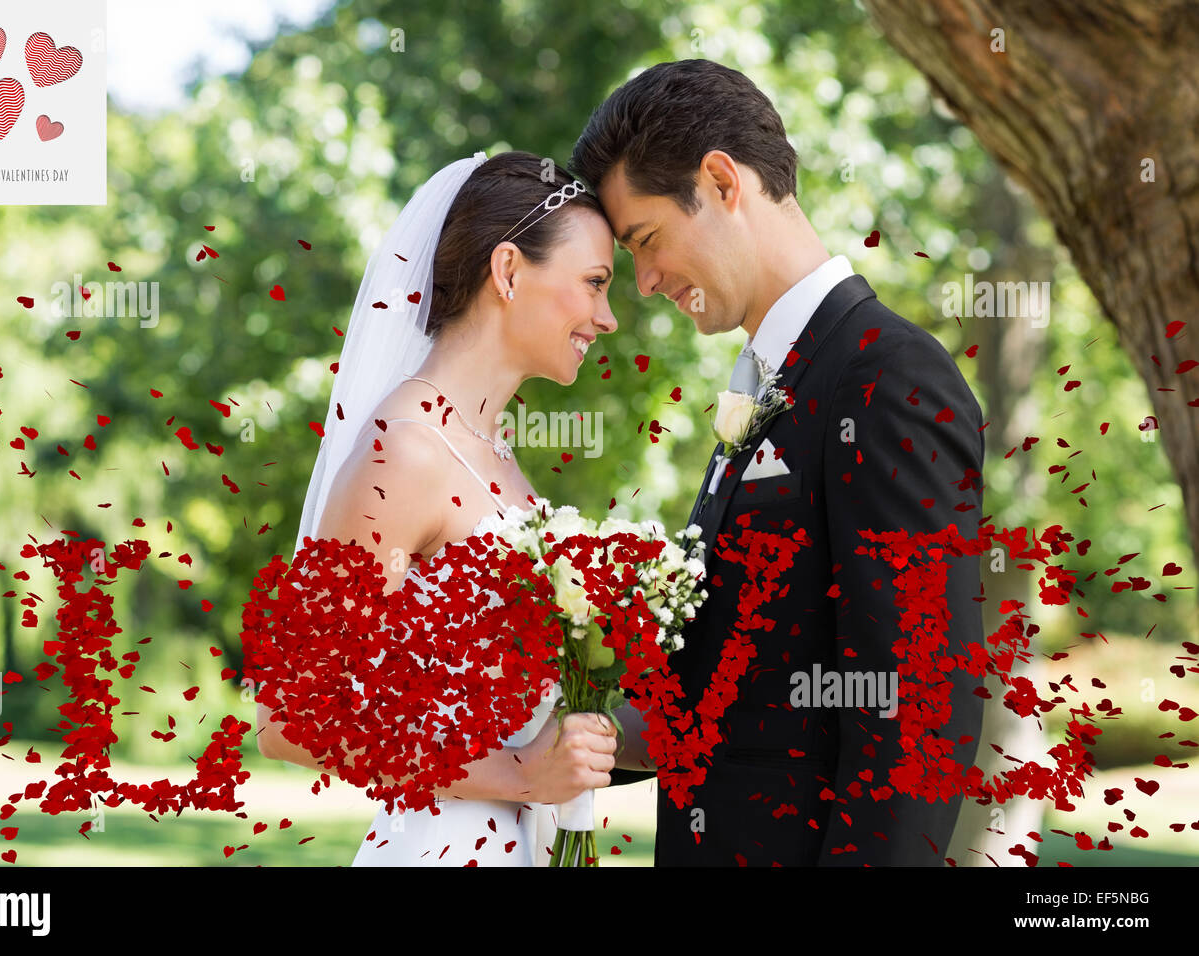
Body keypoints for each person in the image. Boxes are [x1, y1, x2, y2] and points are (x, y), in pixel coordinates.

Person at [570, 59, 986, 865]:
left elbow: (921, 712)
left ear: (722, 181)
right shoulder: (772, 380)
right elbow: (745, 688)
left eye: (646, 241)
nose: (647, 282)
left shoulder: (883, 376)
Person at [255, 150, 621, 866]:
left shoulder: (497, 456)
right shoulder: (410, 448)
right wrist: (519, 775)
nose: (607, 318)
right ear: (509, 271)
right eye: (594, 284)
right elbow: (290, 716)